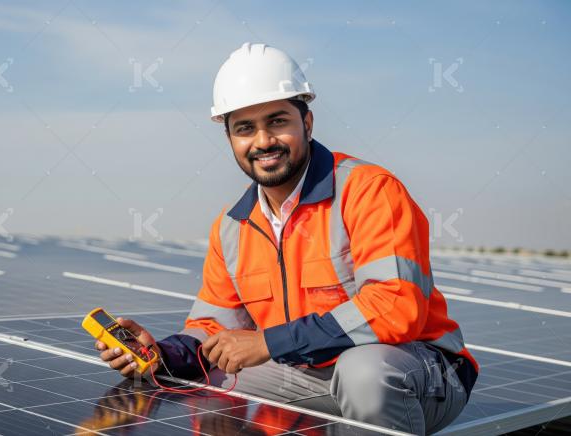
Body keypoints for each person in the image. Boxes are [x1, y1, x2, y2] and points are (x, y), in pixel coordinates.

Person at [94, 42, 478, 435]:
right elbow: (212, 330)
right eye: (245, 128)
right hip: (304, 372)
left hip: (417, 371)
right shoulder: (231, 228)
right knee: (207, 387)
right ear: (229, 139)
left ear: (307, 123)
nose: (263, 141)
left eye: (277, 121)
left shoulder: (368, 191)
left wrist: (269, 343)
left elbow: (395, 306)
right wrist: (160, 355)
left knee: (363, 374)